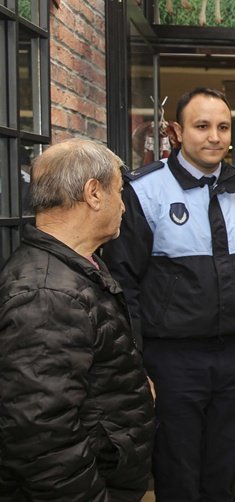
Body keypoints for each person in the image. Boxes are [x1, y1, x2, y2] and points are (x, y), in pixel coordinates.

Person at [101, 87, 235, 502]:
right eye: (202, 126)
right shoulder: (145, 190)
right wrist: (135, 363)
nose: (214, 137)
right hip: (172, 360)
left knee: (230, 464)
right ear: (177, 132)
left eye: (223, 127)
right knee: (177, 468)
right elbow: (124, 283)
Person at [0, 140, 154, 501]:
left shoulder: (75, 268)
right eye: (119, 192)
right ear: (94, 193)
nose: (123, 205)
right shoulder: (46, 294)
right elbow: (41, 439)